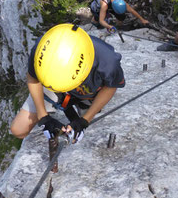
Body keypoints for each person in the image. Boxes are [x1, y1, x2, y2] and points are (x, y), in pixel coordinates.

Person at [10, 24, 125, 171]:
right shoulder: (43, 49)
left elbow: (111, 86)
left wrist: (85, 120)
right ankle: (66, 101)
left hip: (87, 91)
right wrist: (43, 116)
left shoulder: (108, 61)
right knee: (18, 129)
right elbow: (33, 78)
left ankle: (83, 105)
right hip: (52, 85)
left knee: (88, 130)